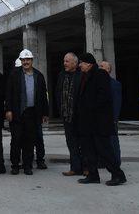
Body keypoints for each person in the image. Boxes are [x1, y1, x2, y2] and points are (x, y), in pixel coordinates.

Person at [76, 53, 126, 186]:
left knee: (104, 150)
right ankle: (93, 175)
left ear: (89, 64)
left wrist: (90, 109)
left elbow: (104, 97)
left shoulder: (100, 75)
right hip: (87, 122)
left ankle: (118, 175)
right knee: (88, 150)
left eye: (82, 63)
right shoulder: (84, 76)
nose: (80, 65)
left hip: (99, 122)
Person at [4, 49, 49, 176]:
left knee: (29, 141)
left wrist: (45, 113)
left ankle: (27, 165)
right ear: (21, 61)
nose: (25, 62)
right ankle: (15, 165)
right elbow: (8, 94)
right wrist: (8, 110)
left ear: (32, 60)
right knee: (16, 140)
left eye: (28, 59)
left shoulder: (38, 75)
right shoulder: (14, 74)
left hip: (32, 113)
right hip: (17, 113)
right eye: (23, 60)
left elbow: (43, 96)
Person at [56, 52, 84, 177]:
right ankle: (75, 168)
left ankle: (87, 168)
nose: (64, 63)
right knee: (71, 143)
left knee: (83, 143)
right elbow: (58, 93)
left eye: (67, 61)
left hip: (80, 116)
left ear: (74, 63)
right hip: (67, 116)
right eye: (64, 61)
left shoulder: (82, 75)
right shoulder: (62, 75)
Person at [101, 61, 122, 166]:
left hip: (110, 118)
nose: (100, 68)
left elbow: (117, 102)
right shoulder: (97, 84)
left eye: (102, 67)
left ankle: (116, 161)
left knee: (113, 140)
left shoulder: (114, 84)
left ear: (108, 70)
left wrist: (114, 118)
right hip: (100, 118)